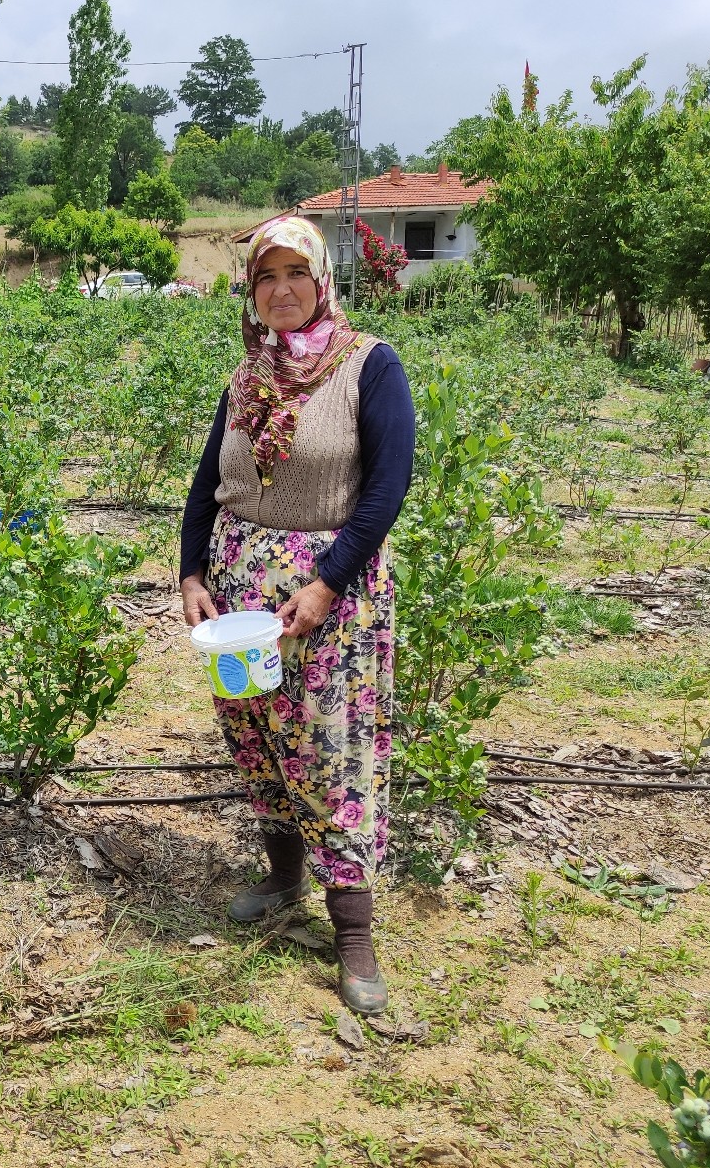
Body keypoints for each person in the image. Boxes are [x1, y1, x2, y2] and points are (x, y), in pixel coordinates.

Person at [178, 215, 415, 1015]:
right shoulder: (246, 378)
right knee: (256, 740)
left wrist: (324, 585)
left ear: (322, 280)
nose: (280, 290)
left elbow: (385, 489)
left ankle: (353, 933)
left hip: (326, 603)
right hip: (241, 605)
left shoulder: (367, 366)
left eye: (294, 274)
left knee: (331, 756)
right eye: (264, 278)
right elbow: (208, 483)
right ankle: (283, 880)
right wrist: (190, 572)